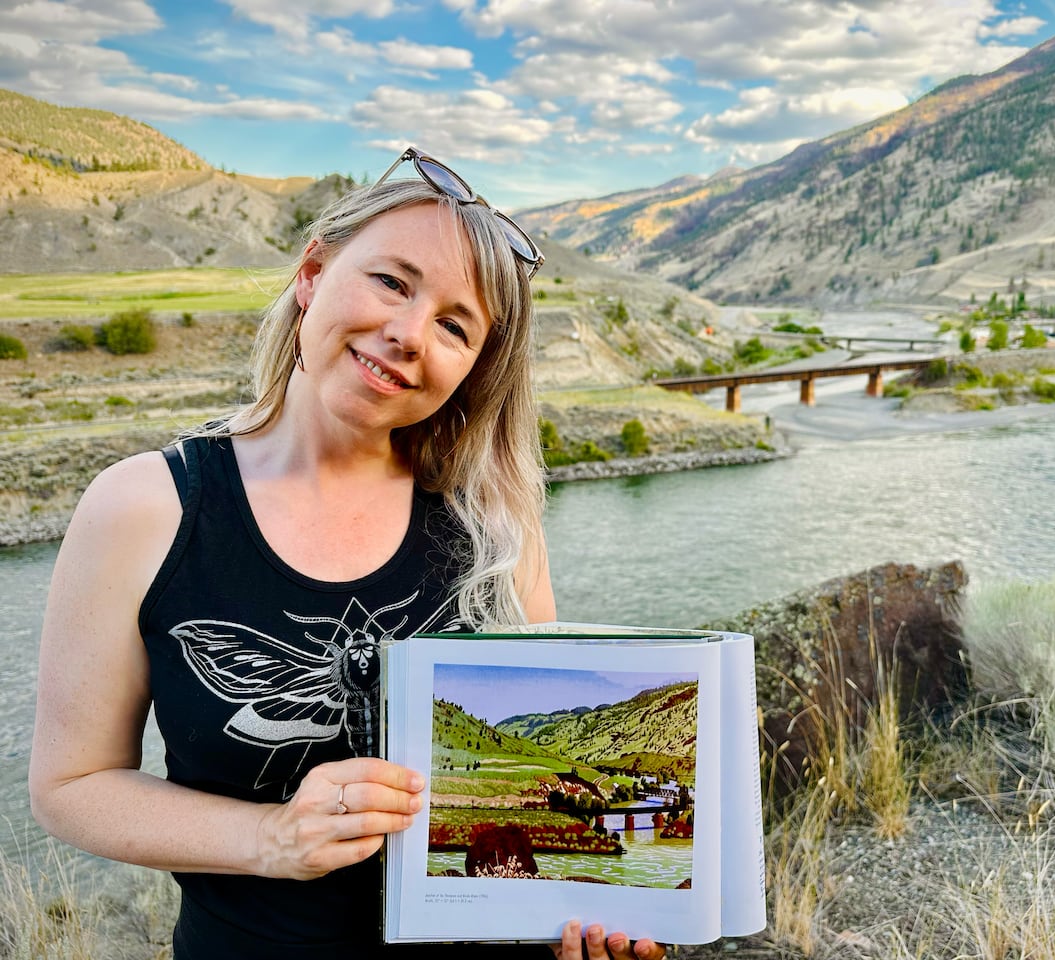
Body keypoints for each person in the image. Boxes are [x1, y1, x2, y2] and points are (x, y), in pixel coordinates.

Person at [28, 147, 665, 960]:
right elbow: (70, 788)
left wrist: (572, 922)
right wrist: (271, 839)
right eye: (393, 282)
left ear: (472, 370)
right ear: (312, 275)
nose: (407, 334)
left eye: (453, 325)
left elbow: (536, 801)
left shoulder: (498, 525)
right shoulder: (143, 507)